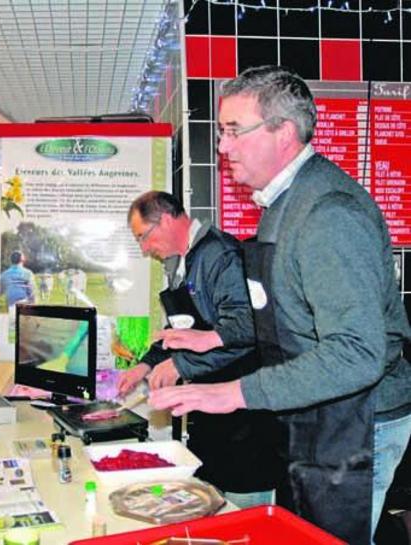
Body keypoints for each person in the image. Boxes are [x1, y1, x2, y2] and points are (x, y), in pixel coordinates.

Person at [150, 65, 411, 545]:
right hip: (317, 416)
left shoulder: (329, 213)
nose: (222, 146)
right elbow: (284, 310)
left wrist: (234, 393)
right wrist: (216, 337)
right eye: (221, 132)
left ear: (284, 133)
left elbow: (357, 353)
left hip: (358, 426)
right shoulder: (283, 206)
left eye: (234, 131)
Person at [118, 190, 281, 506]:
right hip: (211, 408)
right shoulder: (178, 264)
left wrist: (181, 367)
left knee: (243, 510)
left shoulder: (220, 256)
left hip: (245, 412)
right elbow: (178, 332)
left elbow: (247, 331)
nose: (144, 248)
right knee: (212, 502)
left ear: (166, 220)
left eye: (144, 237)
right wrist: (147, 365)